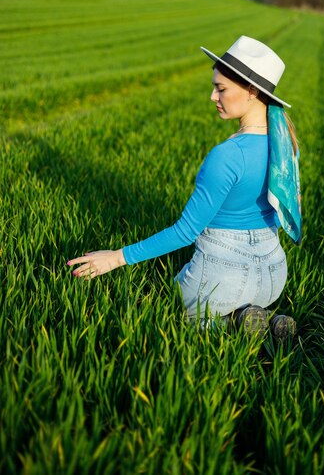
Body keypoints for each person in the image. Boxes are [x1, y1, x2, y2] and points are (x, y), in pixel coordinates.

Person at [68, 36, 302, 341]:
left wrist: (115, 258)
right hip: (273, 276)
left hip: (222, 277)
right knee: (236, 305)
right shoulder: (286, 146)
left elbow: (186, 232)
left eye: (221, 89)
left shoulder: (228, 155)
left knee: (180, 319)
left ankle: (231, 323)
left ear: (252, 91)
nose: (212, 96)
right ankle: (267, 320)